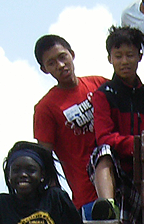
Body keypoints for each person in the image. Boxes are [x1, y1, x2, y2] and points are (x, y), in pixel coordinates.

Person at [87, 26, 144, 223]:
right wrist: (139, 145)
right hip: (120, 170)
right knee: (102, 152)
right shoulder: (105, 94)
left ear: (139, 56)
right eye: (118, 56)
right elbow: (104, 137)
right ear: (110, 58)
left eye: (130, 55)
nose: (124, 61)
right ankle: (107, 205)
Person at [33, 34, 107, 220]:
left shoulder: (99, 84)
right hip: (87, 197)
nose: (60, 65)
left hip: (123, 187)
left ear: (72, 54)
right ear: (44, 69)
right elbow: (44, 159)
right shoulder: (46, 108)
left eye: (62, 57)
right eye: (51, 63)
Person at [0, 141, 82, 224]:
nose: (23, 175)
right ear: (9, 175)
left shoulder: (55, 198)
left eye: (31, 170)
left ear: (42, 175)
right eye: (16, 170)